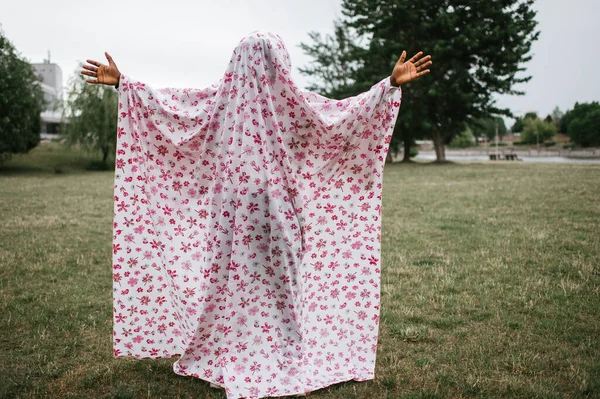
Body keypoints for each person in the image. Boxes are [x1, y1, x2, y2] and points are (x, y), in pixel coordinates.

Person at [82, 31, 431, 399]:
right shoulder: (285, 102)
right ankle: (278, 350)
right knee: (273, 283)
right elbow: (340, 118)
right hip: (274, 211)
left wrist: (124, 84)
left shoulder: (228, 101)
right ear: (281, 61)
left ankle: (244, 350)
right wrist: (388, 85)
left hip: (234, 211)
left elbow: (173, 111)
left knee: (238, 282)